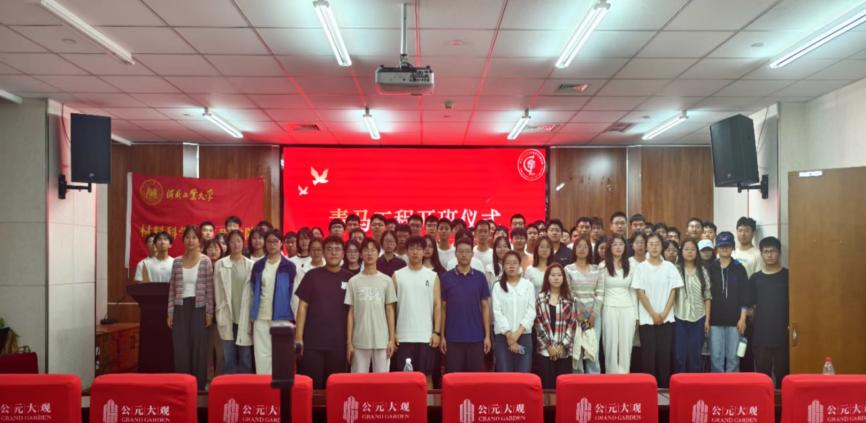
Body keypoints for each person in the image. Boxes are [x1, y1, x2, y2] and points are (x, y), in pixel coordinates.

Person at [293, 236, 353, 388]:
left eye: (337, 249)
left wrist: (350, 342)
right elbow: (302, 307)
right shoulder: (311, 276)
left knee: (335, 387)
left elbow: (352, 313)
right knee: (312, 386)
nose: (333, 252)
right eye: (329, 249)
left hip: (339, 344)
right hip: (312, 343)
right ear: (324, 253)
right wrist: (299, 337)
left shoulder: (350, 279)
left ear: (343, 253)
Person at [237, 229, 296, 375]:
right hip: (260, 316)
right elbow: (252, 291)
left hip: (282, 317)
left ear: (281, 243)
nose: (272, 244)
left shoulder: (289, 266)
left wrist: (294, 319)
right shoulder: (258, 266)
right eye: (269, 241)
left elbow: (293, 294)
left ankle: (279, 387)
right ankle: (264, 384)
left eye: (275, 241)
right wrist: (252, 315)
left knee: (281, 355)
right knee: (261, 355)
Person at [166, 225, 214, 390]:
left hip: (199, 307)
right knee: (181, 346)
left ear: (199, 240)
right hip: (180, 308)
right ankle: (182, 384)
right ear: (183, 240)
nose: (190, 241)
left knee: (199, 347)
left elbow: (209, 289)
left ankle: (199, 385)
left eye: (194, 237)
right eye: (187, 237)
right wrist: (170, 313)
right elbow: (172, 289)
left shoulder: (205, 261)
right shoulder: (177, 262)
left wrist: (209, 313)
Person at [632, 233, 683, 388]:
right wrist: (653, 314)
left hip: (666, 319)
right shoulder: (641, 268)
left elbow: (674, 291)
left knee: (664, 355)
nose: (654, 247)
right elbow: (640, 292)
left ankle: (664, 391)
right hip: (647, 319)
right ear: (646, 246)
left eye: (657, 244)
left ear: (662, 247)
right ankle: (649, 389)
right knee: (648, 355)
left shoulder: (669, 267)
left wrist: (664, 313)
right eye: (651, 244)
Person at [392, 236, 441, 383]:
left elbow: (437, 305)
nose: (415, 252)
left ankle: (427, 401)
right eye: (412, 249)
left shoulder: (432, 276)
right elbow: (391, 307)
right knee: (403, 379)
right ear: (406, 251)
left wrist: (436, 332)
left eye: (419, 249)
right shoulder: (397, 275)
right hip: (403, 336)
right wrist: (392, 334)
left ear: (424, 252)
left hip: (426, 336)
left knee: (426, 377)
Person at [345, 238, 397, 373]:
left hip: (382, 340)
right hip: (359, 340)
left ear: (378, 254)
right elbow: (351, 313)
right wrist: (349, 342)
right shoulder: (353, 281)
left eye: (373, 250)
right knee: (358, 380)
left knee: (382, 381)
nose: (369, 253)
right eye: (366, 250)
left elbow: (390, 311)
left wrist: (391, 339)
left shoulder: (386, 280)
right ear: (361, 254)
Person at [440, 238, 492, 373]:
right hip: (452, 338)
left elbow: (485, 307)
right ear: (455, 254)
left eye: (467, 251)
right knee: (453, 379)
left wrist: (487, 336)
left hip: (476, 338)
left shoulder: (480, 277)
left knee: (474, 380)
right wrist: (442, 336)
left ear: (472, 254)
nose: (464, 255)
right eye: (461, 251)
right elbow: (443, 308)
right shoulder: (445, 278)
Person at [747, 236, 789, 386]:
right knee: (762, 377)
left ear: (779, 253)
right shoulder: (755, 278)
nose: (770, 255)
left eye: (773, 251)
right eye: (766, 251)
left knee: (783, 375)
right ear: (761, 254)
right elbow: (749, 306)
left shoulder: (788, 276)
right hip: (761, 333)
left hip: (783, 333)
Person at [707, 231, 750, 373]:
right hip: (714, 321)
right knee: (716, 358)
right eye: (721, 246)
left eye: (728, 245)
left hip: (735, 321)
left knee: (734, 358)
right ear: (717, 248)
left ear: (733, 247)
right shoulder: (711, 268)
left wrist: (743, 319)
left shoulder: (739, 268)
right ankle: (717, 386)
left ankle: (733, 386)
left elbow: (745, 295)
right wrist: (707, 320)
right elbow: (706, 296)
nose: (725, 248)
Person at [214, 230, 253, 374]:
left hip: (244, 315)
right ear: (228, 244)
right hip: (227, 314)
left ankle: (245, 384)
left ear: (243, 243)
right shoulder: (220, 264)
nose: (235, 244)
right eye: (232, 241)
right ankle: (229, 384)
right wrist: (219, 311)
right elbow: (217, 292)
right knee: (228, 356)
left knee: (245, 355)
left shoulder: (251, 265)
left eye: (238, 241)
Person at [564, 236, 603, 374]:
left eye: (585, 246)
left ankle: (594, 381)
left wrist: (593, 315)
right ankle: (578, 382)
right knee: (577, 351)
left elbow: (600, 293)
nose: (582, 249)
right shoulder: (568, 269)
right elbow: (568, 294)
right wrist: (577, 314)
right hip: (575, 315)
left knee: (593, 350)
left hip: (594, 315)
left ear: (590, 250)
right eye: (579, 246)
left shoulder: (596, 269)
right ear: (574, 249)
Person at [491, 251, 536, 372]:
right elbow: (497, 312)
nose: (511, 266)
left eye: (514, 263)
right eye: (508, 263)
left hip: (524, 335)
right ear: (503, 266)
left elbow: (531, 311)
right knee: (505, 374)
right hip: (503, 337)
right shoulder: (497, 286)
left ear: (520, 265)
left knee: (523, 374)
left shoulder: (528, 285)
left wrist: (517, 334)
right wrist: (509, 335)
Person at [534, 263, 576, 388]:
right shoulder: (540, 298)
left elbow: (572, 324)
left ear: (563, 278)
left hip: (564, 351)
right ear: (547, 277)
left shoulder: (569, 298)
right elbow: (538, 324)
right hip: (545, 350)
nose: (556, 278)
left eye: (559, 275)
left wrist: (561, 346)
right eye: (552, 275)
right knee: (547, 387)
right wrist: (549, 346)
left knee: (563, 387)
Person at [673, 238, 712, 374]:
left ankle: (694, 385)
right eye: (686, 249)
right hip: (679, 317)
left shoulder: (703, 271)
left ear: (697, 252)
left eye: (693, 249)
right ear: (681, 251)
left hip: (699, 318)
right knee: (680, 356)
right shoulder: (675, 270)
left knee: (695, 356)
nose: (689, 252)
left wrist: (707, 320)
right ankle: (679, 384)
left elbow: (707, 296)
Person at [600, 235, 636, 374]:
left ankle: (625, 374)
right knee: (610, 343)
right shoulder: (602, 266)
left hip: (628, 308)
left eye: (621, 244)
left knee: (626, 344)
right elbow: (600, 291)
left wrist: (636, 315)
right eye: (615, 244)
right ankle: (611, 375)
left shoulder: (631, 265)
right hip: (609, 307)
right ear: (609, 247)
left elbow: (633, 291)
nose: (618, 247)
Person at [294, 238, 325, 316]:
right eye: (313, 250)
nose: (316, 253)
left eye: (319, 250)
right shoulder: (302, 271)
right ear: (309, 252)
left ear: (323, 251)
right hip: (307, 314)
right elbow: (296, 297)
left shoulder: (329, 268)